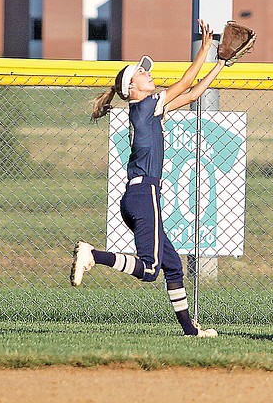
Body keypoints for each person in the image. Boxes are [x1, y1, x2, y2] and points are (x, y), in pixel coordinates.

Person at [71, 19, 223, 338]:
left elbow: (194, 94)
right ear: (133, 89)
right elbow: (184, 83)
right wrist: (205, 49)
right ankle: (93, 254)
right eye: (142, 72)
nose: (148, 73)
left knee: (172, 266)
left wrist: (220, 63)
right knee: (150, 269)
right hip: (144, 195)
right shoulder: (145, 107)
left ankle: (189, 331)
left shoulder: (149, 110)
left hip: (136, 196)